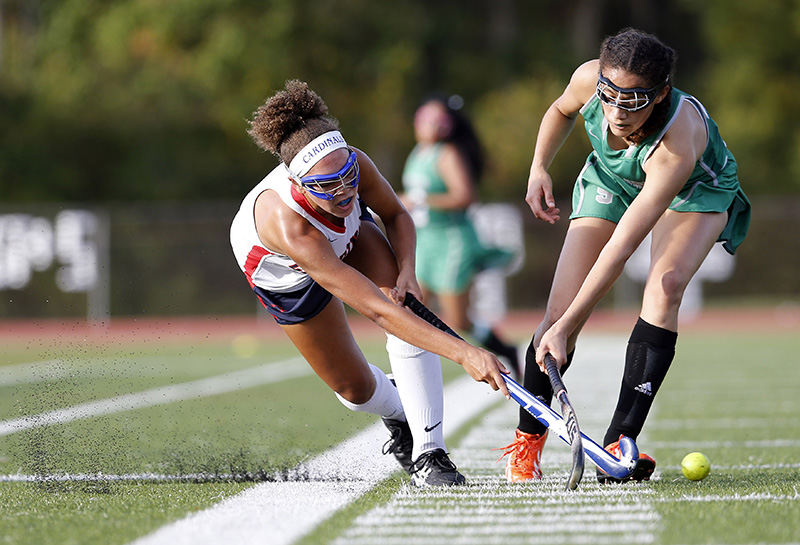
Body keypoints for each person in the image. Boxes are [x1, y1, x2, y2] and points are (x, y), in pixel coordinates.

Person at [230, 80, 510, 488]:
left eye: (346, 176)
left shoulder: (356, 164)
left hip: (351, 237)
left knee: (402, 304)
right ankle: (399, 409)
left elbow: (396, 216)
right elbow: (374, 309)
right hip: (286, 275)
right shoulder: (289, 226)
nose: (343, 191)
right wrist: (464, 353)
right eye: (327, 186)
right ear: (299, 185)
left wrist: (408, 270)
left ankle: (430, 453)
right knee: (354, 389)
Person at [500, 28, 751, 484]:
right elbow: (560, 110)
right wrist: (538, 167)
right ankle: (526, 443)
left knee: (665, 286)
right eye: (609, 95)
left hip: (694, 191)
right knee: (555, 311)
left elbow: (620, 250)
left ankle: (620, 439)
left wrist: (569, 326)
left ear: (660, 95)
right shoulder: (589, 79)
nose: (616, 112)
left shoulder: (678, 143)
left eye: (633, 101)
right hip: (612, 180)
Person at [400, 96, 522, 377]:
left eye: (434, 120)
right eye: (423, 118)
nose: (426, 125)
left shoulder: (448, 154)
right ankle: (413, 376)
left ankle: (506, 350)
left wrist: (421, 200)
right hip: (426, 241)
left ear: (445, 126)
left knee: (458, 320)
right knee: (411, 311)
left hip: (452, 242)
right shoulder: (418, 153)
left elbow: (465, 197)